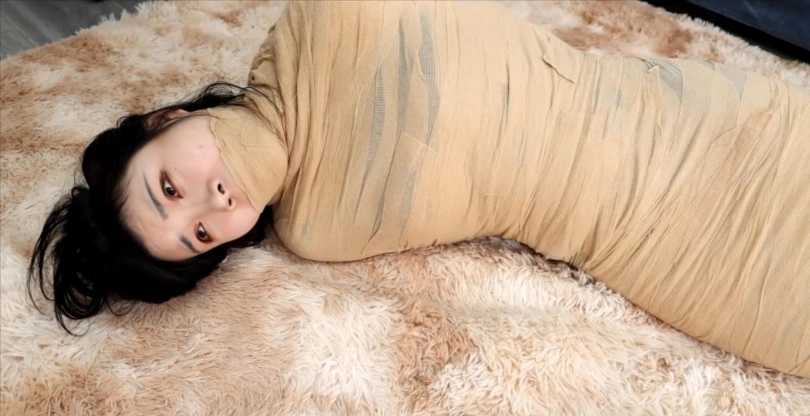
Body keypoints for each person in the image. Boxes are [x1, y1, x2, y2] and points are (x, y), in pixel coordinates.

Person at [28, 1, 809, 377]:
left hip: (694, 121)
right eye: (198, 236)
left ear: (165, 119)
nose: (212, 207)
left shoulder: (319, 21)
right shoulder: (318, 231)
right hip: (656, 247)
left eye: (171, 186)